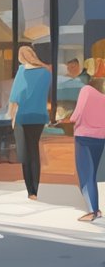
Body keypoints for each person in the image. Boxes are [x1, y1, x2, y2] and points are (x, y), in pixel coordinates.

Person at [10, 44, 53, 200]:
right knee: (34, 151)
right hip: (39, 117)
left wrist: (11, 116)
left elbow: (15, 97)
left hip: (23, 116)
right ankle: (36, 188)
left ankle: (30, 191)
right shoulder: (46, 73)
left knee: (25, 154)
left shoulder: (22, 71)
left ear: (22, 57)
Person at [68, 77, 105, 222]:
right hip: (101, 138)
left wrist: (70, 118)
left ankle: (91, 211)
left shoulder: (86, 90)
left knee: (85, 175)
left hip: (84, 136)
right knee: (92, 174)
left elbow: (78, 112)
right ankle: (96, 209)